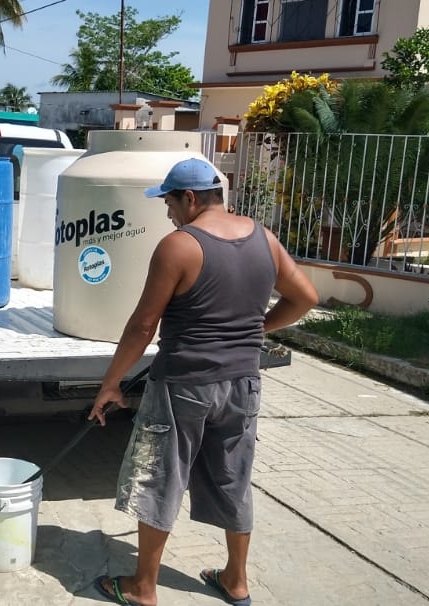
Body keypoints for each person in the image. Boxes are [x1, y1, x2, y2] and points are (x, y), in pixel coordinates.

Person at [87, 159, 319, 606]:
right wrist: (257, 329)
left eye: (169, 202)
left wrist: (110, 384)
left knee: (160, 477)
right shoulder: (264, 239)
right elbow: (305, 297)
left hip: (183, 385)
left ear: (189, 198)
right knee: (235, 476)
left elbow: (142, 326)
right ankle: (235, 581)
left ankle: (143, 588)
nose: (168, 212)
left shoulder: (179, 245)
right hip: (243, 384)